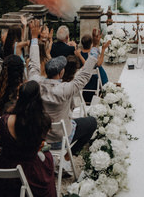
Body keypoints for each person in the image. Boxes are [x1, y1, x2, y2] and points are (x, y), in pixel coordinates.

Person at [26, 19, 100, 158]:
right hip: (61, 139)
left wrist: (34, 38)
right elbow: (84, 75)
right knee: (92, 123)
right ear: (61, 73)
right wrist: (95, 47)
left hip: (40, 137)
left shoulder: (36, 83)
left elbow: (34, 65)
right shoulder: (65, 89)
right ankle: (71, 153)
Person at [0, 81, 56, 197]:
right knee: (48, 156)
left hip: (7, 171)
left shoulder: (5, 120)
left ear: (19, 98)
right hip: (32, 172)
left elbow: (0, 142)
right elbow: (40, 144)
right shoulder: (43, 121)